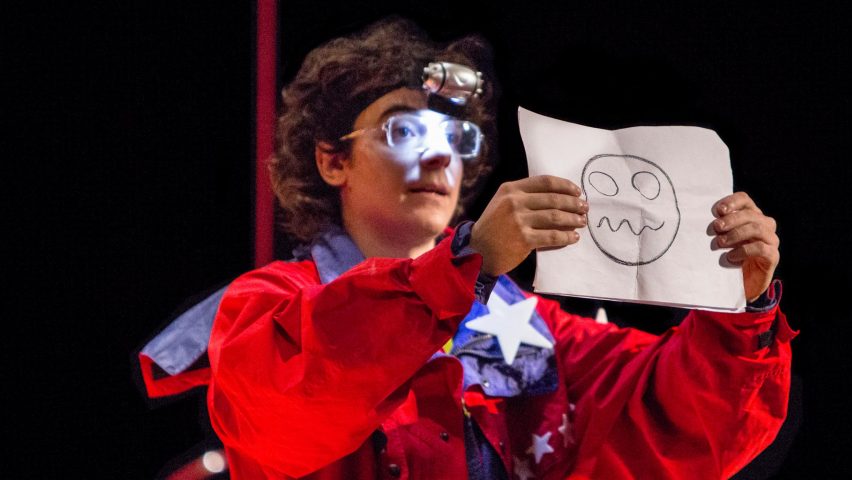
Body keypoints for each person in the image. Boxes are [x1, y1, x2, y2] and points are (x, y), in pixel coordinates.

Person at [141, 16, 794, 480]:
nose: (438, 155)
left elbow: (681, 427)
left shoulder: (533, 330)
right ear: (333, 160)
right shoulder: (269, 307)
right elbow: (299, 405)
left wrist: (741, 306)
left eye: (457, 140)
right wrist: (465, 265)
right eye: (404, 130)